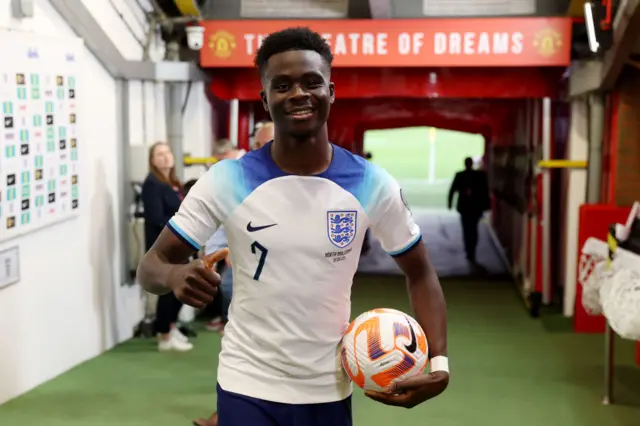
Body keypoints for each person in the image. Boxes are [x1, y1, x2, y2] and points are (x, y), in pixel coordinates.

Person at [137, 27, 449, 426]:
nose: (299, 93)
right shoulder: (227, 180)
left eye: (311, 82)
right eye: (282, 85)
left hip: (329, 388)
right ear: (265, 100)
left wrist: (438, 361)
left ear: (331, 92)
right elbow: (151, 266)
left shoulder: (373, 184)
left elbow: (421, 273)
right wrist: (174, 273)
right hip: (246, 383)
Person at [140, 142, 193, 352]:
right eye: (159, 154)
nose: (165, 157)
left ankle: (171, 326)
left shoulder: (174, 182)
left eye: (167, 152)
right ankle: (164, 334)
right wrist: (177, 232)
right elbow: (156, 217)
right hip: (165, 246)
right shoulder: (152, 183)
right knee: (169, 291)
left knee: (182, 288)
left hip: (181, 244)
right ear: (152, 160)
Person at [447, 157, 490, 263]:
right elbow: (485, 192)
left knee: (467, 230)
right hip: (473, 208)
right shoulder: (480, 175)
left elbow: (452, 190)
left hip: (467, 208)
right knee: (473, 230)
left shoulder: (461, 175)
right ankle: (471, 251)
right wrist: (486, 206)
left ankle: (469, 250)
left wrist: (450, 203)